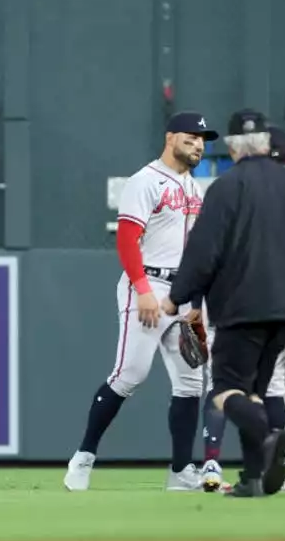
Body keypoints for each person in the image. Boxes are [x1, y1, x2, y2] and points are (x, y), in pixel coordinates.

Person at [163, 109, 285, 498]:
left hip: (240, 309)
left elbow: (203, 251)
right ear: (266, 143)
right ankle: (254, 478)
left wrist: (177, 296)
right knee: (259, 391)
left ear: (230, 147)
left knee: (225, 392)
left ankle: (267, 436)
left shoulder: (226, 187)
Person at [63, 112, 221, 492]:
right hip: (147, 283)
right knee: (129, 375)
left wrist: (195, 299)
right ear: (170, 138)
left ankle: (181, 471)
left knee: (191, 383)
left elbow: (198, 251)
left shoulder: (195, 188)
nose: (198, 143)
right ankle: (83, 457)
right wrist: (143, 289)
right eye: (191, 136)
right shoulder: (145, 181)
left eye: (203, 138)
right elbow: (126, 239)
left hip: (183, 292)